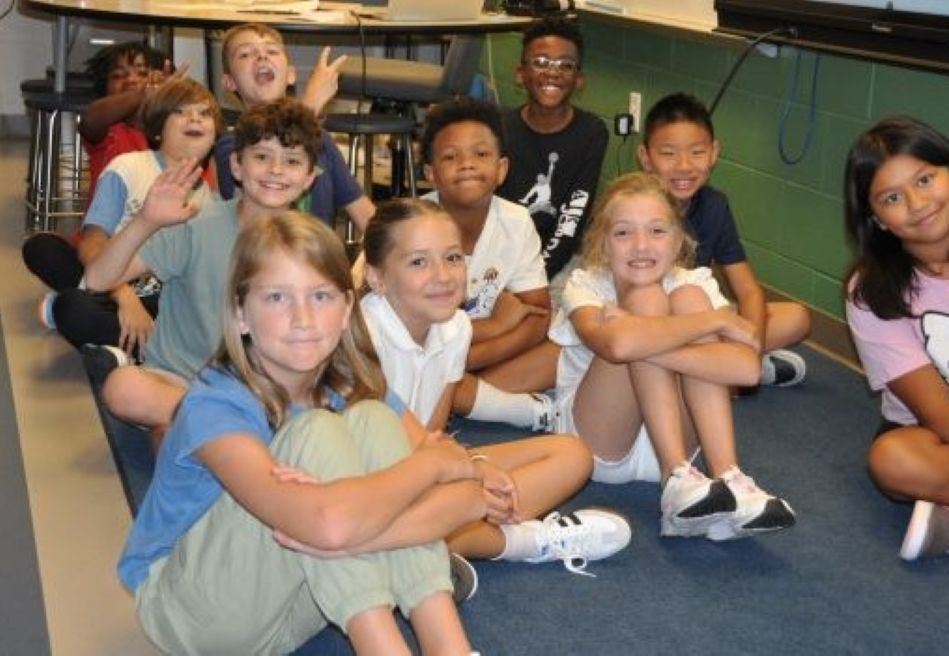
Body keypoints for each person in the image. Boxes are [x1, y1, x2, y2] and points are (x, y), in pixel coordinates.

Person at [118, 209, 484, 654]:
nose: (303, 318)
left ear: (348, 308)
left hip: (295, 604)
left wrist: (363, 521)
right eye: (276, 298)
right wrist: (427, 467)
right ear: (240, 314)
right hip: (194, 616)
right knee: (317, 434)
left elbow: (469, 498)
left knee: (373, 420)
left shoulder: (351, 384)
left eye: (322, 296)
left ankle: (451, 648)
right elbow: (330, 527)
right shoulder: (213, 403)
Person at [360, 197, 631, 574]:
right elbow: (379, 459)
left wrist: (471, 471)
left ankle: (438, 543)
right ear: (377, 278)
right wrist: (468, 480)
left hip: (424, 467)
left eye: (453, 258)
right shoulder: (362, 337)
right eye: (418, 262)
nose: (442, 274)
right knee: (450, 504)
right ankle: (522, 542)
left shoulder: (455, 327)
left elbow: (432, 433)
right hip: (367, 484)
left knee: (573, 455)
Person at [548, 172, 796, 540]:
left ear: (679, 240)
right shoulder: (585, 284)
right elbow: (617, 348)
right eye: (623, 233)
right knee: (649, 301)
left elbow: (746, 369)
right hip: (600, 444)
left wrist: (641, 334)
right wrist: (712, 321)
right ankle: (673, 477)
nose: (641, 245)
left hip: (681, 444)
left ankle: (728, 477)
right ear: (602, 244)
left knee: (685, 302)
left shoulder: (694, 282)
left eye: (657, 231)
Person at [84, 98, 321, 450]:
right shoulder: (197, 224)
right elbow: (97, 280)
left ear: (309, 178)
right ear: (236, 166)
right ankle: (240, 430)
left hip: (263, 389)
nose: (275, 169)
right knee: (124, 388)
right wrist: (146, 221)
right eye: (261, 156)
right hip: (180, 381)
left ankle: (228, 430)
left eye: (291, 161)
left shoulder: (314, 245)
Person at [843, 116, 949, 560]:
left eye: (925, 179)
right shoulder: (872, 291)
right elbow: (940, 414)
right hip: (937, 431)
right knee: (894, 462)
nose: (916, 203)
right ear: (878, 220)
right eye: (892, 198)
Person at [638, 92, 812, 388]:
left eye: (697, 152)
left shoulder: (715, 205)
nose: (684, 166)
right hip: (648, 324)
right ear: (646, 158)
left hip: (701, 324)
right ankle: (711, 368)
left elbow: (748, 292)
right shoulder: (634, 206)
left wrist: (750, 350)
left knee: (797, 318)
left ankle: (726, 365)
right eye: (668, 154)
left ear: (714, 153)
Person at [43, 78, 220, 358]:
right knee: (72, 305)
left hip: (163, 300)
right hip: (112, 284)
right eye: (181, 111)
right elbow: (92, 246)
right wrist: (124, 297)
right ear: (157, 129)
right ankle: (133, 349)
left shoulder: (210, 198)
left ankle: (123, 354)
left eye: (204, 113)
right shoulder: (129, 167)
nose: (195, 118)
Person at [418, 97, 563, 432]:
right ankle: (508, 406)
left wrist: (470, 358)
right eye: (451, 157)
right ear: (430, 174)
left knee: (566, 344)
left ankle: (461, 395)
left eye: (481, 154)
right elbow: (415, 340)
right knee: (416, 367)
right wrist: (498, 326)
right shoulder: (411, 227)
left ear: (502, 169)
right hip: (420, 357)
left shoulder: (515, 221)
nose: (467, 164)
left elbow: (539, 316)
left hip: (478, 357)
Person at [23, 41, 179, 312]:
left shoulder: (175, 132)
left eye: (142, 73)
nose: (131, 79)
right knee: (41, 248)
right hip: (102, 252)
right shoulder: (108, 132)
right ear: (105, 90)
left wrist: (169, 100)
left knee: (77, 312)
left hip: (155, 259)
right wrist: (144, 92)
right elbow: (92, 118)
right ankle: (116, 298)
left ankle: (100, 302)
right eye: (118, 76)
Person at [214, 23, 376, 232]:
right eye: (245, 54)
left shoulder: (321, 140)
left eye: (272, 51)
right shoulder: (231, 145)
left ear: (291, 75)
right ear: (229, 82)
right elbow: (254, 221)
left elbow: (364, 213)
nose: (262, 57)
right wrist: (308, 109)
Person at [497, 16, 608, 285]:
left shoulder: (592, 133)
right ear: (520, 73)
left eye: (565, 65)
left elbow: (571, 221)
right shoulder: (499, 130)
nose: (553, 72)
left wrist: (534, 281)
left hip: (561, 257)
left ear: (579, 79)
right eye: (541, 62)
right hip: (502, 254)